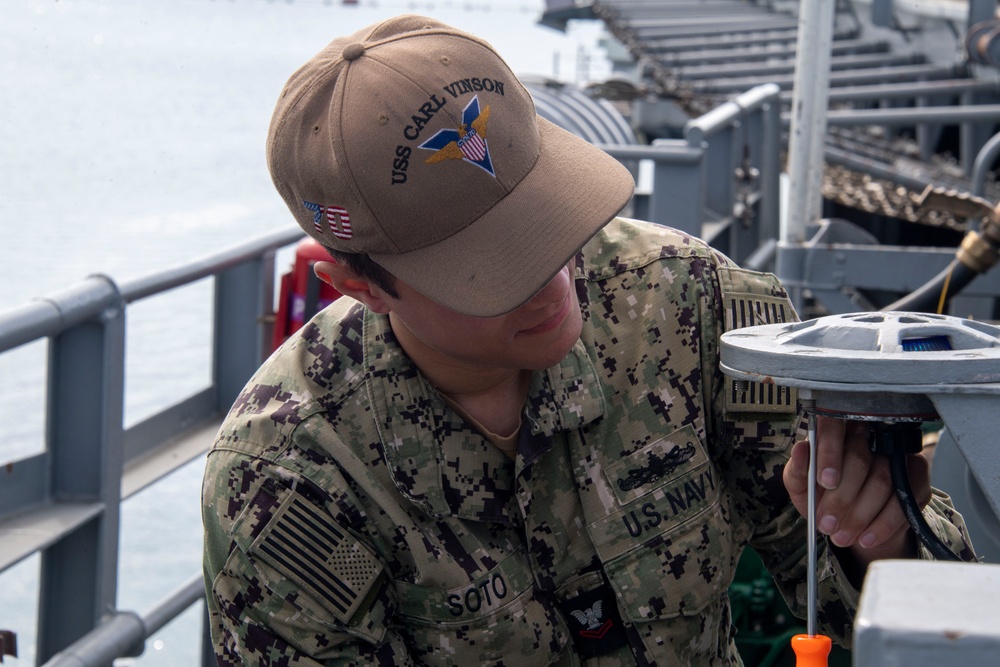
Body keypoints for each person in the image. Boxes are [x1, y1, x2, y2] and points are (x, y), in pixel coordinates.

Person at [201, 14, 976, 666]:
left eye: (549, 218)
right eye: (491, 269)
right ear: (361, 288)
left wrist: (879, 540)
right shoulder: (292, 484)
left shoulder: (688, 307)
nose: (552, 278)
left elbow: (895, 610)